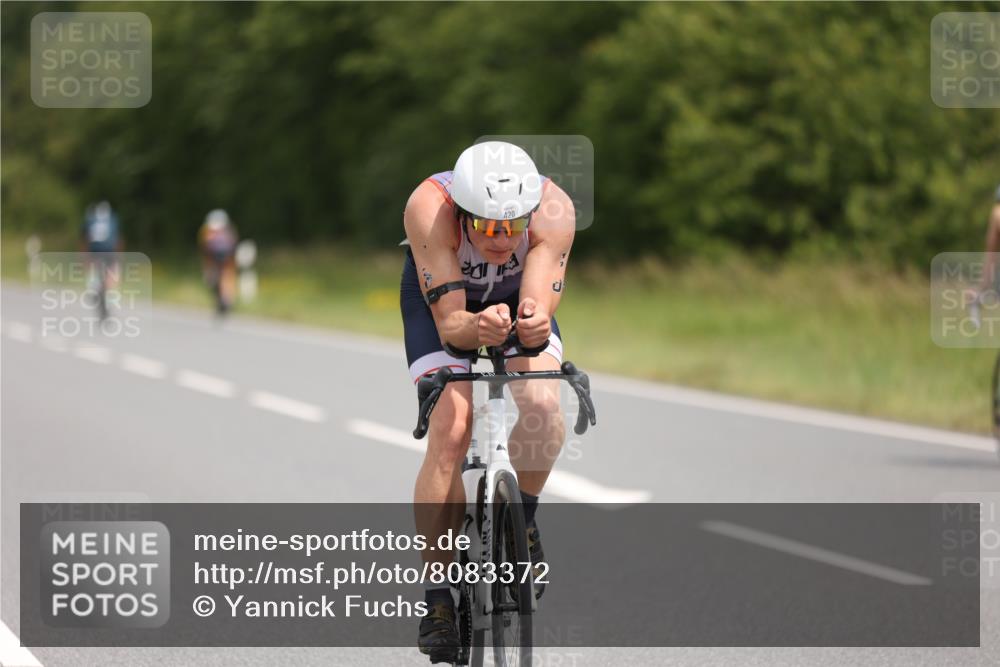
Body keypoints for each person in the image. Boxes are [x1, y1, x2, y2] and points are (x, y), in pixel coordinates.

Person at [401, 141, 576, 662]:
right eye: (487, 228)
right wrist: (477, 327)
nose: (502, 241)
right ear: (462, 213)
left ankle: (522, 518)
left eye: (514, 227)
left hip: (515, 298)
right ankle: (437, 598)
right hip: (444, 306)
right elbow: (454, 327)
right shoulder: (428, 208)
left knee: (543, 406)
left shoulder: (555, 209)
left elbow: (539, 308)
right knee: (452, 425)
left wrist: (533, 319)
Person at [80, 201, 122, 319]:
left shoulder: (91, 219)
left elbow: (85, 239)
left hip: (96, 252)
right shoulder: (112, 219)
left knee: (95, 274)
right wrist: (118, 256)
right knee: (111, 278)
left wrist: (84, 256)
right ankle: (108, 298)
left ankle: (93, 288)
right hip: (109, 252)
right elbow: (117, 239)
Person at [198, 209, 239, 315]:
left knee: (221, 276)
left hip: (217, 258)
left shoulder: (207, 231)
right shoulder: (228, 230)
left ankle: (224, 300)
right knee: (225, 275)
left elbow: (204, 250)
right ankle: (225, 300)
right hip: (220, 258)